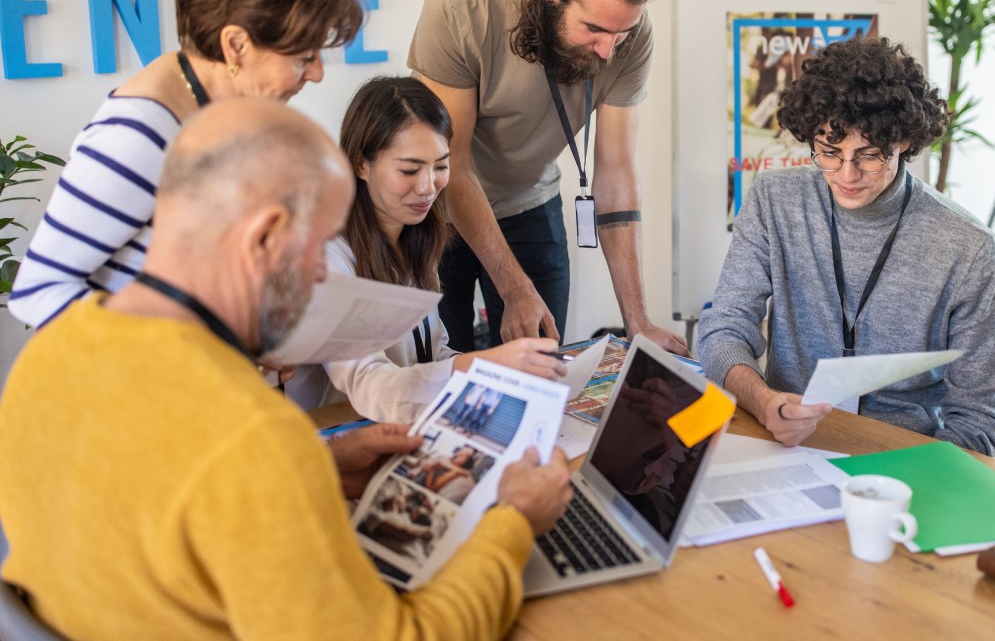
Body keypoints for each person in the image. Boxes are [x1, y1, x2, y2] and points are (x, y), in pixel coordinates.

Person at [0, 99, 573, 640]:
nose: (323, 275)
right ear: (264, 237)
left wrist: (316, 465)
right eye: (320, 245)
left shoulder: (48, 355)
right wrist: (514, 519)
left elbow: (150, 492)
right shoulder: (253, 440)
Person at [8, 0, 364, 329]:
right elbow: (37, 294)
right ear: (235, 46)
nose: (318, 73)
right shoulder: (138, 137)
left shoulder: (221, 110)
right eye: (303, 57)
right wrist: (178, 354)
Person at [697, 36, 995, 455]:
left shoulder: (965, 247)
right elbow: (724, 327)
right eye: (829, 150)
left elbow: (977, 417)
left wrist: (913, 478)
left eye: (869, 154)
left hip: (907, 458)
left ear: (902, 142)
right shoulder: (775, 201)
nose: (846, 174)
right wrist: (763, 401)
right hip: (786, 440)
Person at [408, 0, 687, 354]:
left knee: (541, 361)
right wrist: (513, 288)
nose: (607, 51)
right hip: (438, 207)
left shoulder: (628, 35)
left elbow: (616, 175)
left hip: (529, 200)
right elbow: (452, 166)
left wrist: (637, 322)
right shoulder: (463, 6)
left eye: (621, 33)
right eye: (593, 29)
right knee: (442, 369)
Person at [283, 77, 567, 421]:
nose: (427, 187)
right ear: (361, 164)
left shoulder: (415, 238)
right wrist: (485, 364)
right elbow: (369, 385)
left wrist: (502, 373)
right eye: (409, 169)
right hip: (338, 441)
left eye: (441, 167)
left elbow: (428, 358)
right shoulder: (328, 257)